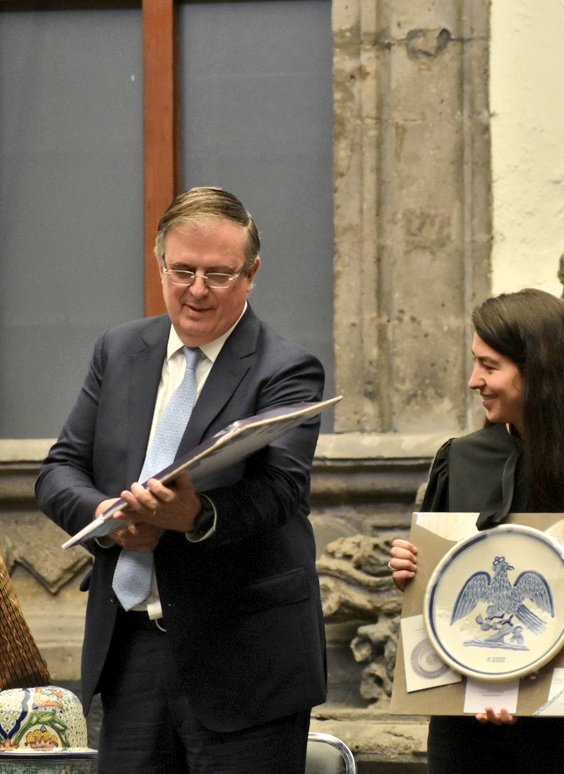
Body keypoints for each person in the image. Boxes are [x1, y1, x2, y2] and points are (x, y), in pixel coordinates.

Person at [36, 187, 327, 773]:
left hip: (246, 662)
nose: (197, 290)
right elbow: (59, 469)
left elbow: (281, 492)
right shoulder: (119, 349)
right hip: (133, 651)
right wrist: (107, 519)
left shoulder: (286, 368)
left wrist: (193, 516)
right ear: (160, 264)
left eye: (218, 274)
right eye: (183, 271)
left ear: (251, 274)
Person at [389, 288, 564, 773]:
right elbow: (438, 604)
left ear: (538, 370)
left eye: (489, 366)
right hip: (465, 734)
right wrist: (413, 571)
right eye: (476, 363)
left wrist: (520, 685)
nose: (474, 380)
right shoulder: (459, 459)